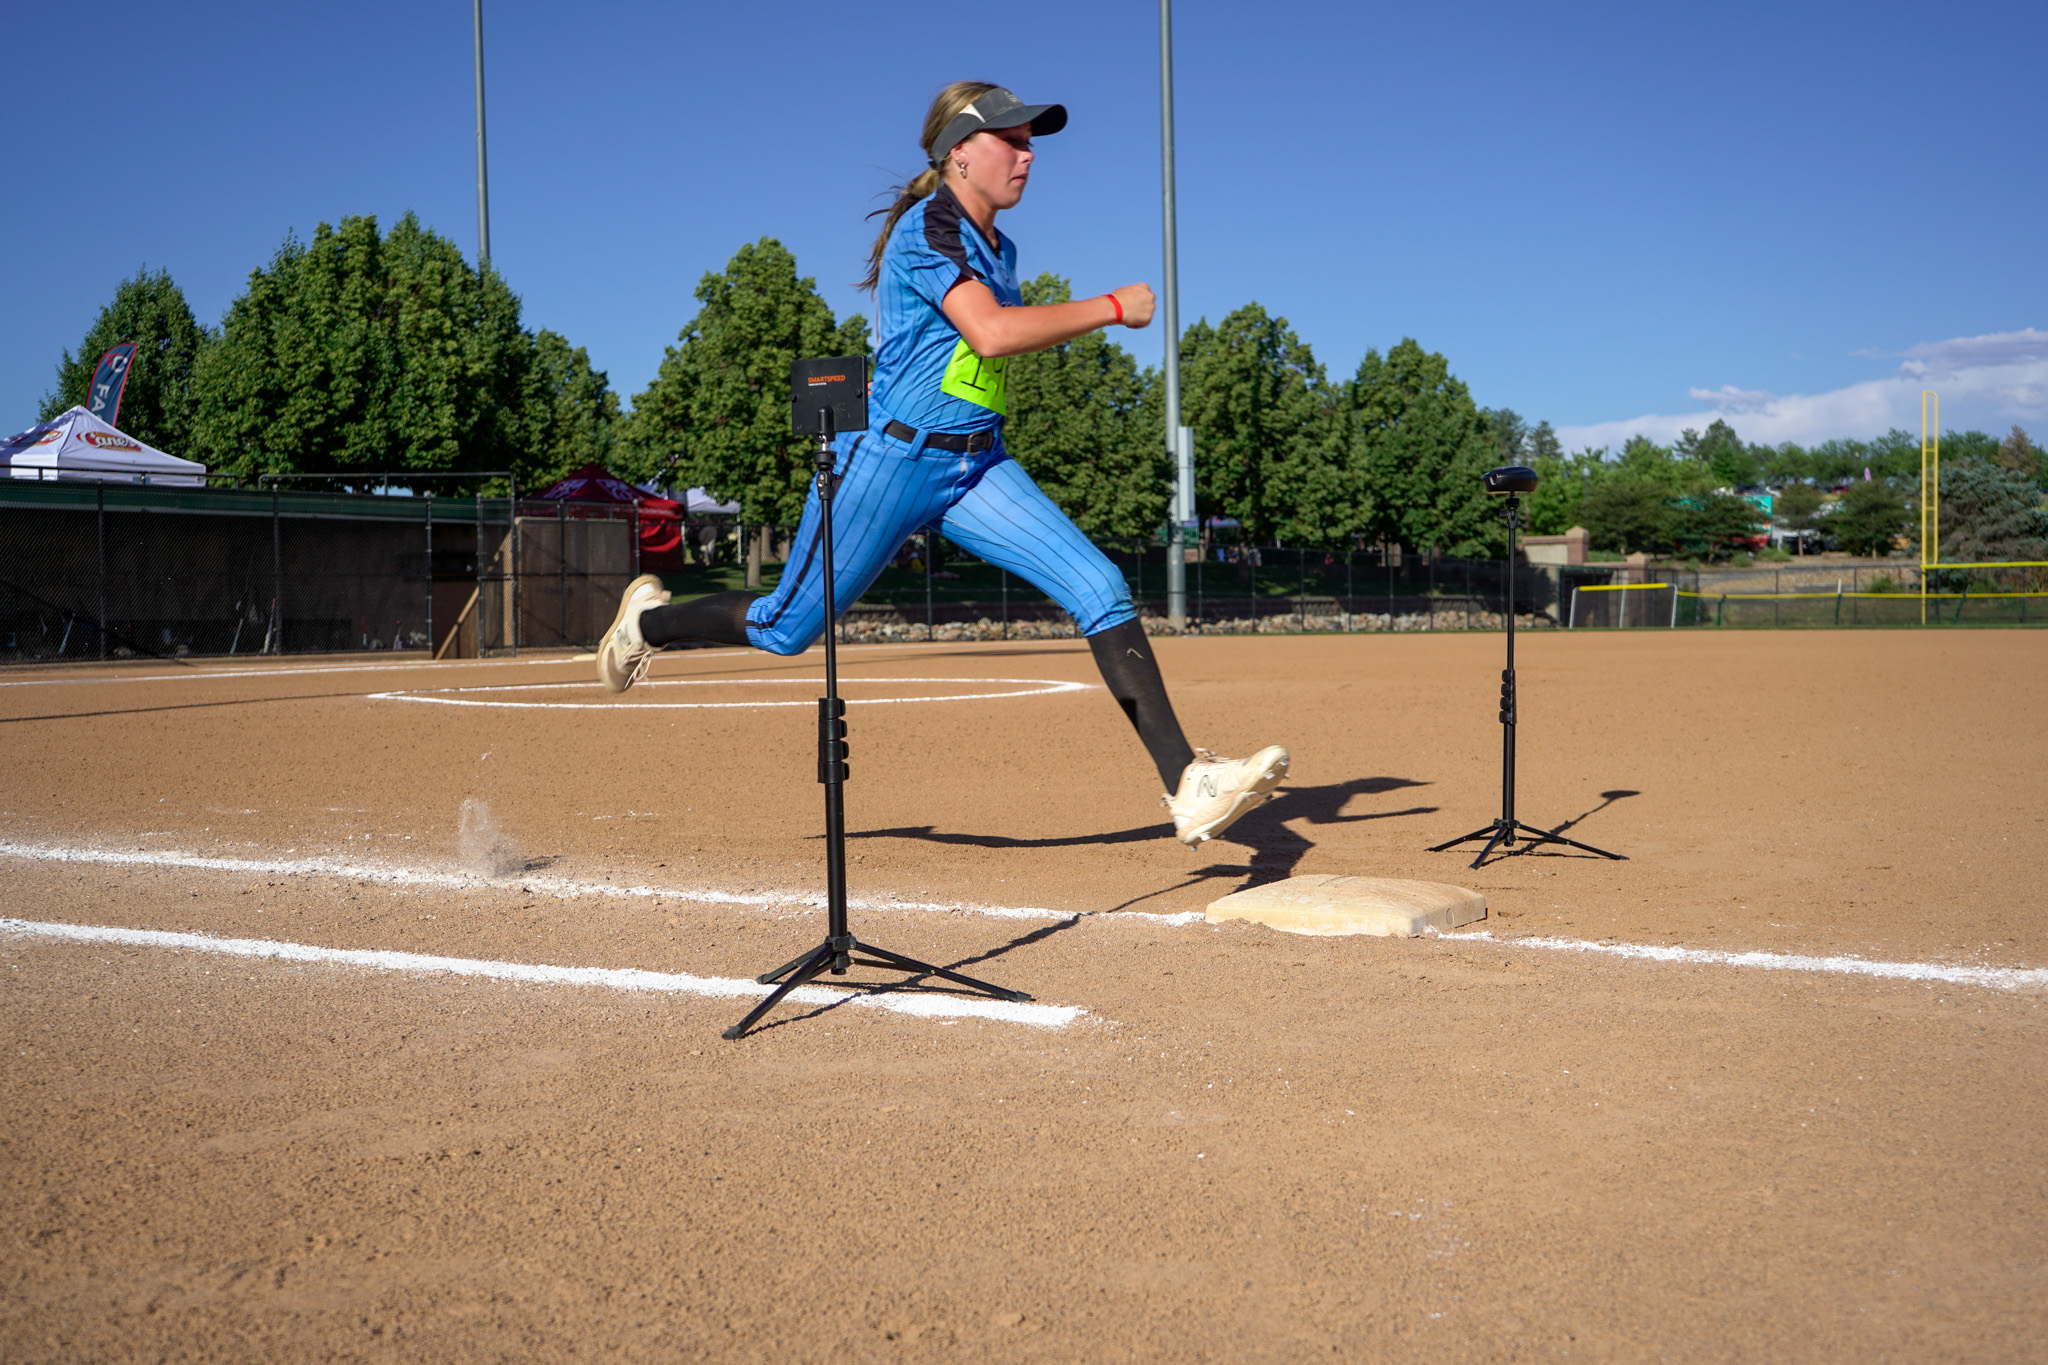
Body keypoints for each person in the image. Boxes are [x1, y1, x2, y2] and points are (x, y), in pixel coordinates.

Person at [599, 81, 1287, 845]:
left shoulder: (1002, 248)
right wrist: (1112, 307)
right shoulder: (929, 227)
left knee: (1098, 584)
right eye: (1010, 140)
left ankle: (1187, 781)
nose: (1028, 155)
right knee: (786, 628)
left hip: (977, 467)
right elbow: (989, 333)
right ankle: (648, 624)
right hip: (888, 462)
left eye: (1031, 141)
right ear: (958, 152)